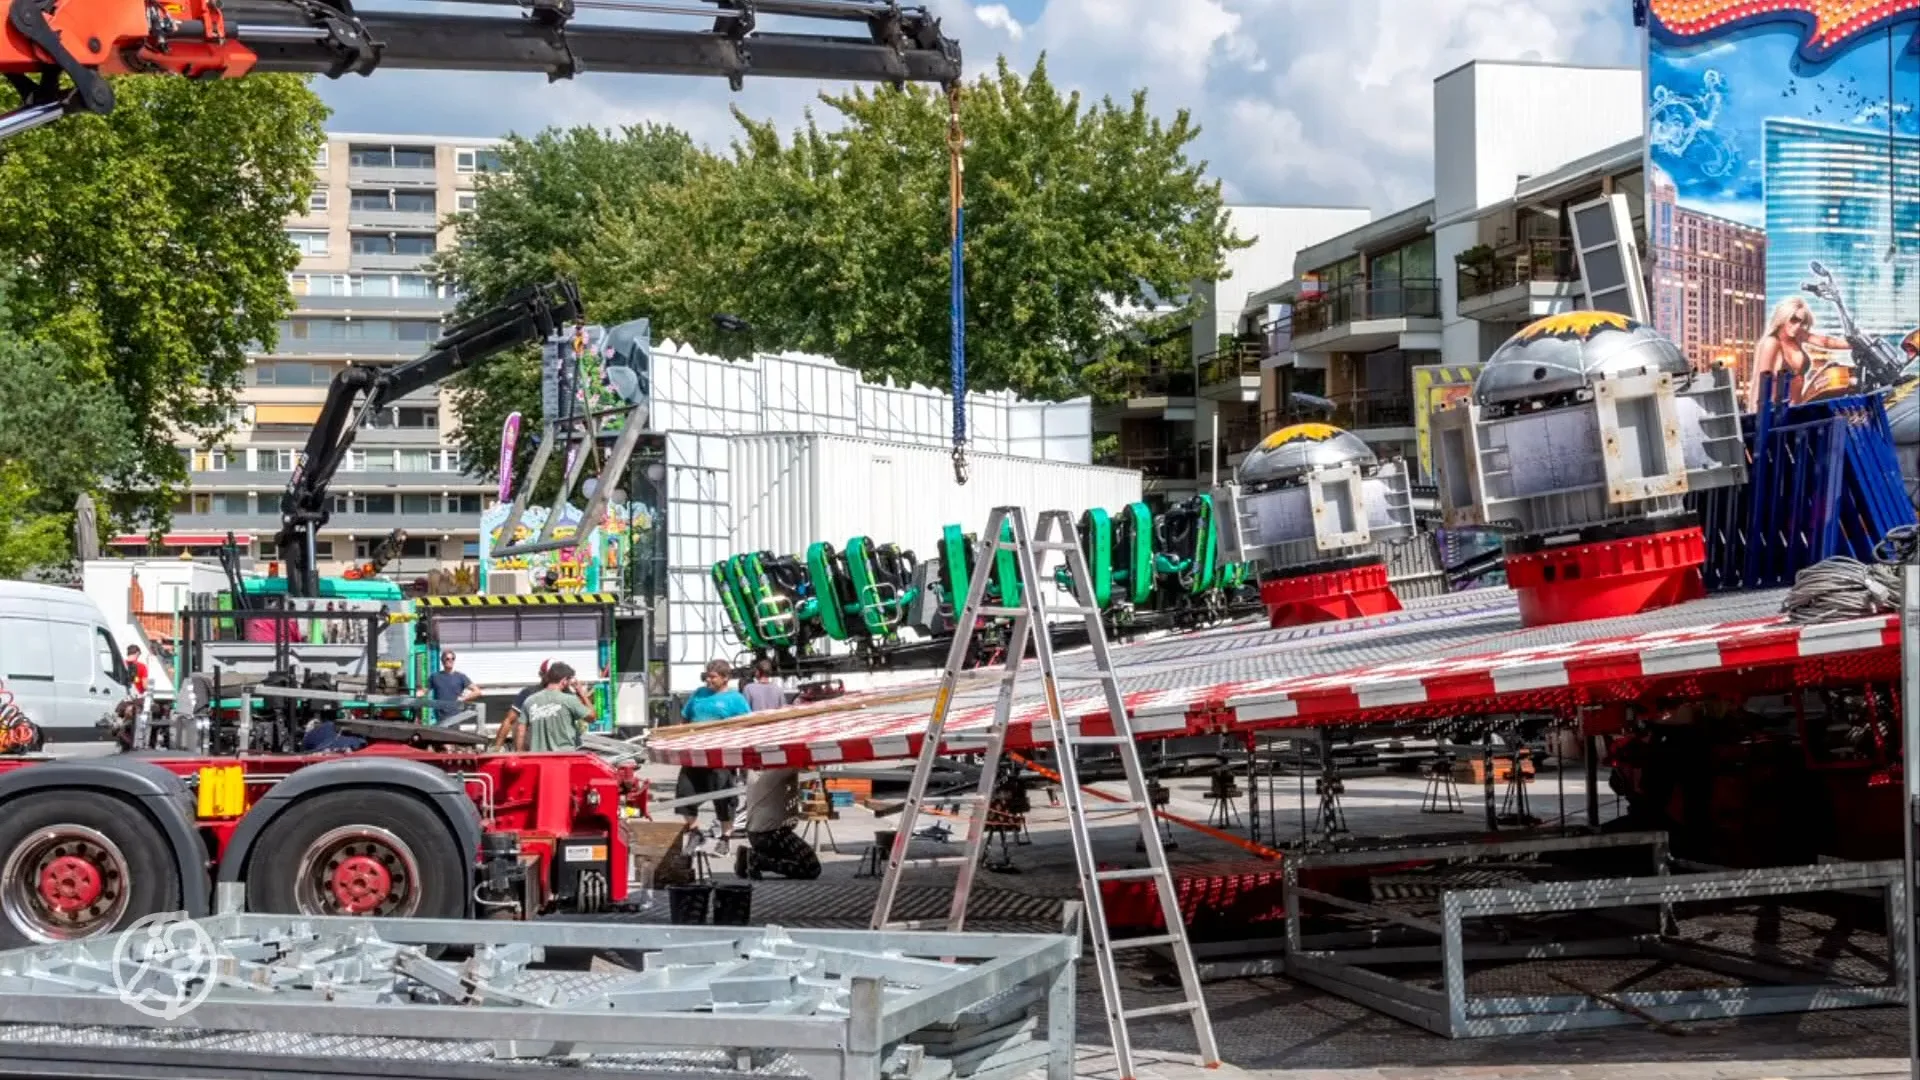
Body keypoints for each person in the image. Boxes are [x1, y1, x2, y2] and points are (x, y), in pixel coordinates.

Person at [675, 659, 751, 851]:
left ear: (725, 678)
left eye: (713, 677)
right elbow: (685, 718)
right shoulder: (699, 694)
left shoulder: (736, 700)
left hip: (721, 757)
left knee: (724, 798)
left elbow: (747, 725)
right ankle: (694, 832)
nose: (708, 680)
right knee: (685, 793)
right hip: (695, 755)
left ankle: (725, 838)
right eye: (707, 676)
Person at [1749, 297, 1851, 412]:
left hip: (1797, 409)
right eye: (1793, 320)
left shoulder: (1798, 335)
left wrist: (1856, 344)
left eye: (1802, 322)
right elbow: (1760, 382)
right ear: (1783, 317)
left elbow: (1825, 342)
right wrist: (1754, 419)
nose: (1797, 326)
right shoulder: (1771, 343)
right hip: (1775, 413)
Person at [735, 768, 821, 880]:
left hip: (755, 833)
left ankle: (747, 856)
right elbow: (805, 767)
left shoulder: (754, 772)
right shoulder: (781, 769)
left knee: (787, 855)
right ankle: (758, 860)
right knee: (812, 867)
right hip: (773, 834)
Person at [519, 662, 596, 752]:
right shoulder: (569, 700)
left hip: (539, 758)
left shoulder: (529, 701)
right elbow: (592, 717)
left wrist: (520, 754)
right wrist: (582, 693)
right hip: (565, 756)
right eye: (569, 680)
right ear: (564, 681)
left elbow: (521, 731)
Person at [491, 659, 555, 751]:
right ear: (541, 674)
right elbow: (509, 720)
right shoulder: (528, 693)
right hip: (531, 749)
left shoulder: (566, 694)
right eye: (550, 676)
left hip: (557, 750)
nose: (554, 679)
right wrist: (496, 748)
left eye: (557, 676)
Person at [425, 650, 483, 726]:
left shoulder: (461, 677)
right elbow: (424, 691)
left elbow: (477, 692)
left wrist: (464, 698)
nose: (451, 661)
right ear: (442, 661)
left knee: (454, 737)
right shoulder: (435, 677)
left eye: (453, 659)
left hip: (455, 718)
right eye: (447, 659)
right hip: (440, 718)